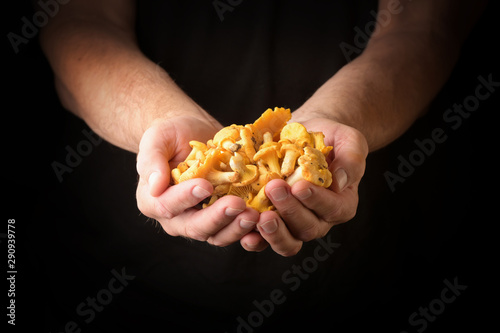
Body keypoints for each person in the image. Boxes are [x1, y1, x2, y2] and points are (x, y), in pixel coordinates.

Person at [39, 0, 485, 258]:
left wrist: (344, 117)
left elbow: (429, 24)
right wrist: (157, 119)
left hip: (380, 266)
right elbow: (77, 20)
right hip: (116, 274)